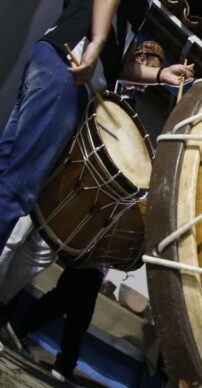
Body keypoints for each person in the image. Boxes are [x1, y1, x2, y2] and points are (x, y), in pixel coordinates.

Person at [0, 0, 192, 246]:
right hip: (69, 68)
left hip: (57, 60)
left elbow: (117, 64)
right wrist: (96, 44)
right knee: (16, 190)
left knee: (6, 173)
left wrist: (160, 75)